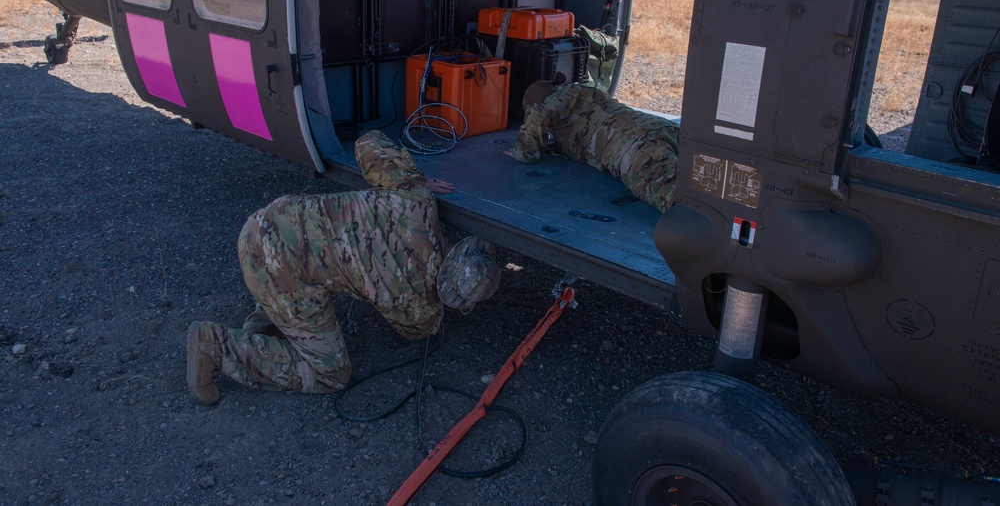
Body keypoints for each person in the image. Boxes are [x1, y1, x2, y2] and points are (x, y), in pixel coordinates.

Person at [186, 130, 500, 405]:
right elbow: (415, 332)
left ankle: (265, 327)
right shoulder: (417, 303)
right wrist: (434, 310)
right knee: (331, 375)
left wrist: (415, 178)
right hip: (277, 268)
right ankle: (219, 346)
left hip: (265, 222)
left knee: (313, 266)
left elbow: (368, 142)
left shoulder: (417, 198)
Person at [511, 81, 680, 212]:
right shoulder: (583, 98)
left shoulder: (560, 98)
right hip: (662, 129)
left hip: (635, 146)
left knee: (682, 204)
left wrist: (525, 145)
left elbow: (526, 151)